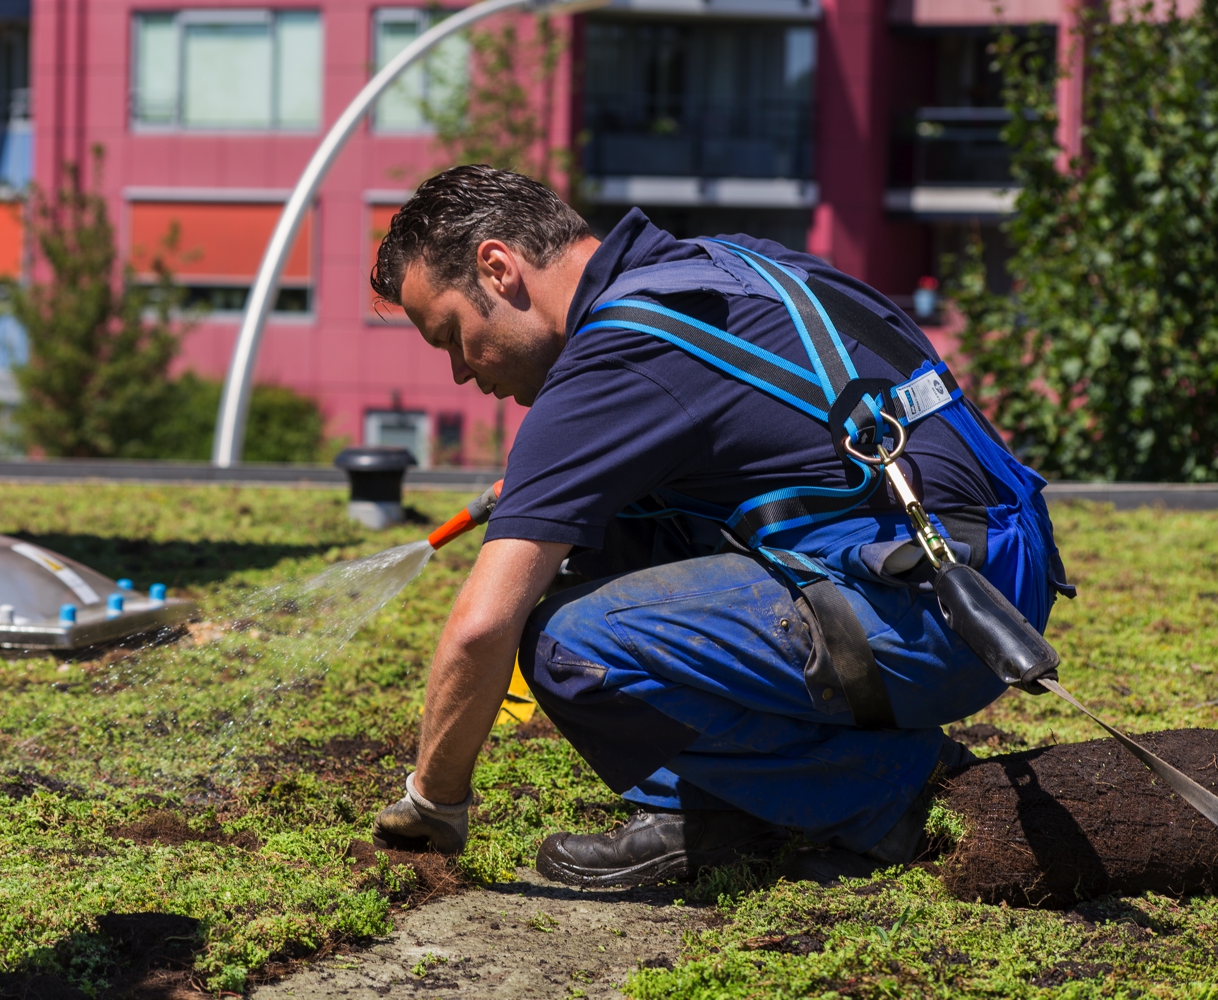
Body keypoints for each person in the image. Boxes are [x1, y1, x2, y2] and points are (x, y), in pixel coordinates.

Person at [367, 165, 1071, 886]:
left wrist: (436, 800)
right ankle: (727, 806)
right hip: (995, 571)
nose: (459, 371)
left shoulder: (617, 353)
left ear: (498, 268)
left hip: (937, 617)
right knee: (606, 535)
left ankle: (885, 797)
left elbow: (484, 626)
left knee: (567, 646)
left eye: (452, 334)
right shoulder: (721, 264)